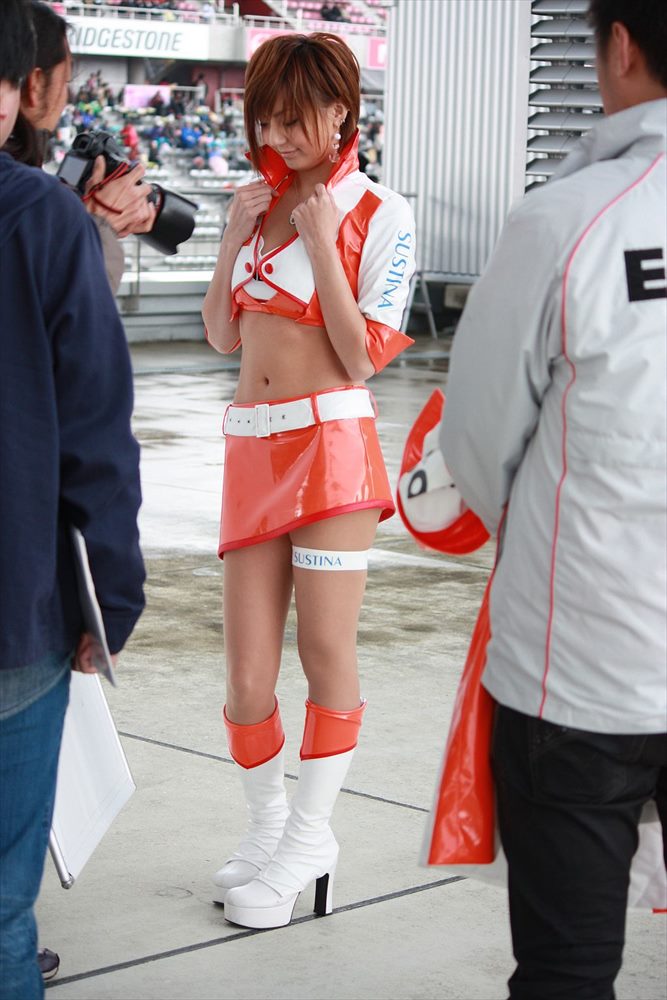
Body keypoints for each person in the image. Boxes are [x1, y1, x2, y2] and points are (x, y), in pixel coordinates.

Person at [437, 1, 666, 996]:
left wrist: (536, 533)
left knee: (567, 971)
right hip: (584, 671)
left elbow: (477, 442)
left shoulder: (566, 219)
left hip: (582, 670)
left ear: (618, 44)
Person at [202, 32, 415, 930]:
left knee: (324, 652)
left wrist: (324, 242)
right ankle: (268, 830)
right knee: (246, 678)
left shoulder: (381, 212)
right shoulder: (257, 203)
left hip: (331, 452)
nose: (278, 137)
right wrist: (232, 236)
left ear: (340, 112)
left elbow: (361, 358)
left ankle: (309, 838)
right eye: (266, 120)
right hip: (251, 449)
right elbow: (222, 334)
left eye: (294, 120)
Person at [0, 2, 146, 998]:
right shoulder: (40, 220)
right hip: (13, 609)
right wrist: (110, 602)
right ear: (18, 91)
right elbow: (95, 435)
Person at [6, 0, 156, 295]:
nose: (67, 98)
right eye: (66, 81)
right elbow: (73, 308)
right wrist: (97, 226)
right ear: (36, 84)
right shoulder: (29, 198)